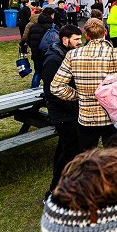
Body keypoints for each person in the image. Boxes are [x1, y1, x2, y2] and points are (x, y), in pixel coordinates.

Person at [51, 18, 117, 150]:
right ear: (105, 32)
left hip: (86, 117)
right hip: (111, 114)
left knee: (88, 159)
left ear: (87, 35)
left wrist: (78, 95)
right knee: (113, 160)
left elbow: (56, 87)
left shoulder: (73, 55)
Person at [42, 24, 83, 196]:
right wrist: (74, 105)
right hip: (62, 113)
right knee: (70, 151)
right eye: (77, 39)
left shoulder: (67, 54)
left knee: (66, 150)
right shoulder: (54, 59)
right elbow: (52, 92)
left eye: (81, 39)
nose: (80, 42)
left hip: (70, 110)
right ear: (65, 40)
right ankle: (54, 190)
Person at [25, 7, 57, 88]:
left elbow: (28, 39)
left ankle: (33, 89)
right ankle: (48, 90)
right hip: (48, 54)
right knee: (49, 73)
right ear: (51, 15)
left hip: (36, 53)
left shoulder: (34, 26)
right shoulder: (52, 26)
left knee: (37, 72)